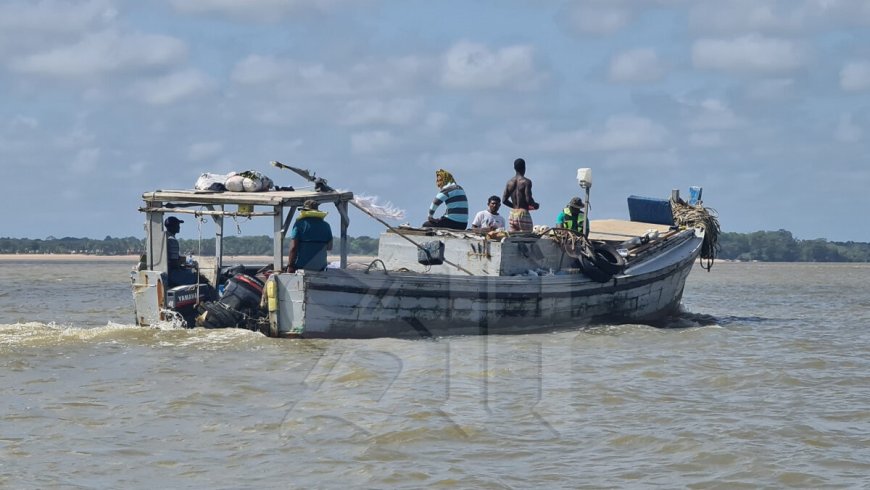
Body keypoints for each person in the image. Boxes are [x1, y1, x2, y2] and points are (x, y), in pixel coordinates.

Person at [286, 199, 333, 272]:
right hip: (320, 268)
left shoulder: (299, 224)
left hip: (302, 267)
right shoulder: (326, 225)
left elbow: (293, 247)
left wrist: (290, 265)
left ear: (304, 210)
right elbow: (329, 247)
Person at [502, 158, 539, 232]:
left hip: (513, 213)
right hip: (523, 213)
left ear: (514, 168)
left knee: (514, 237)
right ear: (524, 168)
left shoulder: (509, 182)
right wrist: (535, 205)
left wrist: (515, 206)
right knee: (527, 237)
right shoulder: (526, 182)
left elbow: (504, 200)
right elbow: (528, 200)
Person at [164, 216, 197, 287]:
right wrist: (182, 267)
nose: (179, 227)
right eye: (177, 225)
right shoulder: (172, 240)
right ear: (172, 227)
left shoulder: (164, 237)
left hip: (166, 271)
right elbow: (173, 263)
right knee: (196, 277)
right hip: (172, 274)